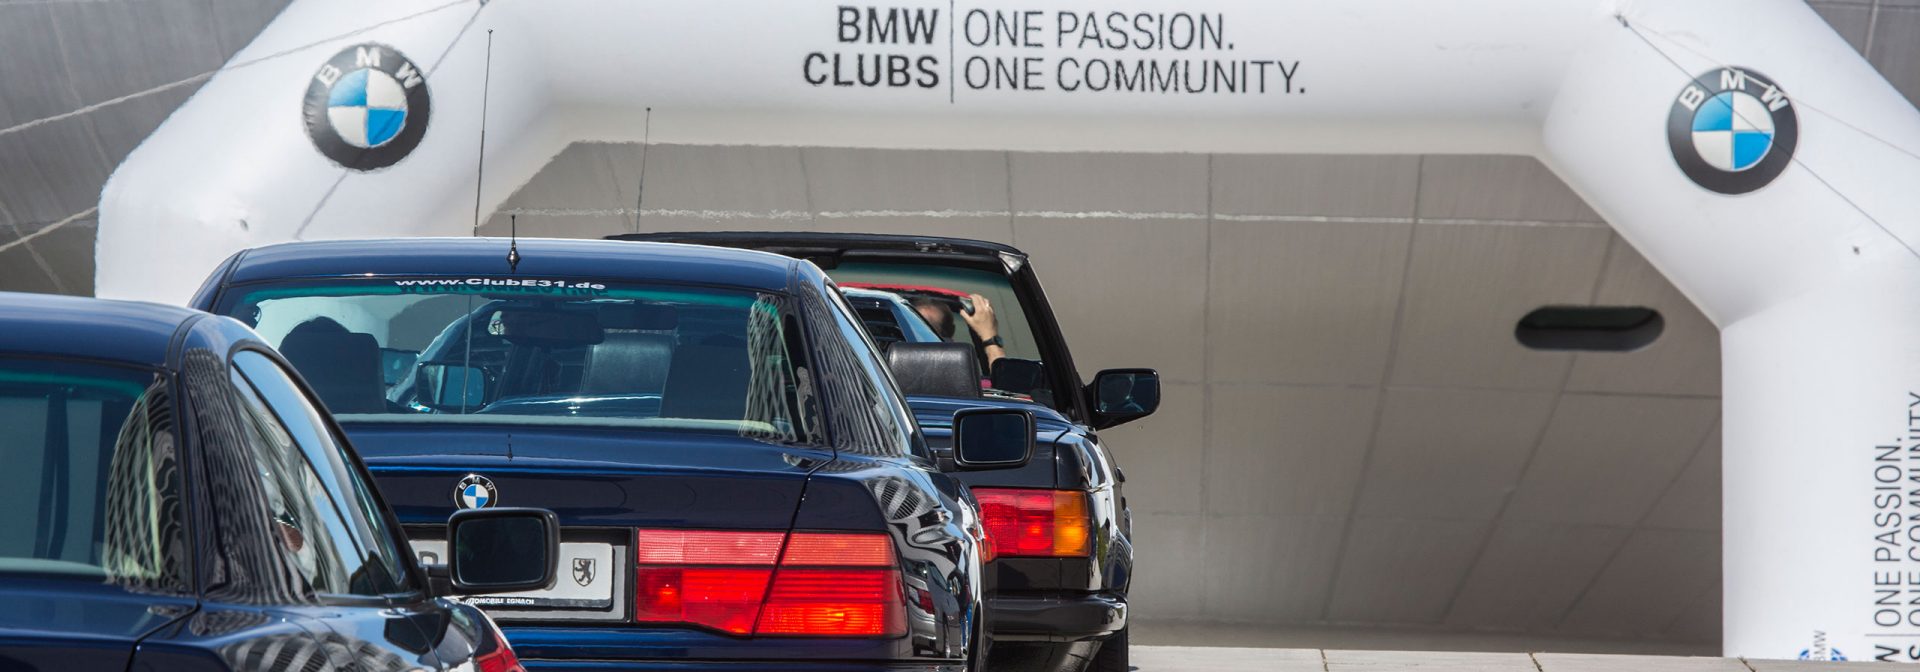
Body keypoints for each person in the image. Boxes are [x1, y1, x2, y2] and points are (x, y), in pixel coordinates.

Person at [911, 293, 1005, 369]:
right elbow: (1005, 385)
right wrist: (990, 338)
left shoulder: (897, 382)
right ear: (952, 331)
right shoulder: (973, 383)